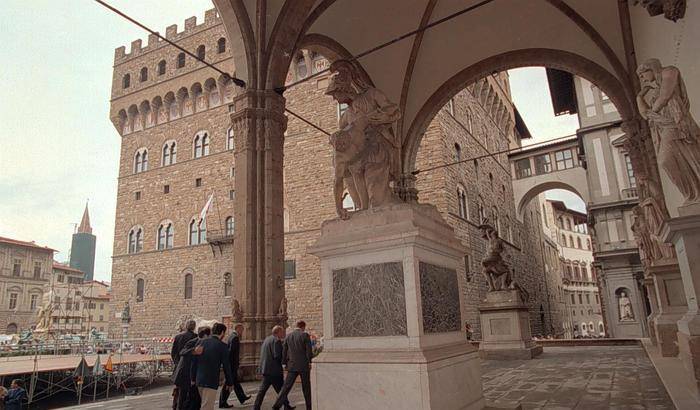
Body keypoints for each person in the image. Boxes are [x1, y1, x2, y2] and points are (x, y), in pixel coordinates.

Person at [191, 323, 234, 410]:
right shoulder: (222, 346)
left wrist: (192, 378)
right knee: (207, 406)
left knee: (205, 404)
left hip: (199, 379)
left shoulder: (201, 342)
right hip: (211, 380)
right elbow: (226, 366)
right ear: (222, 333)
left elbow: (194, 362)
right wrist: (229, 382)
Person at [272, 320, 313, 410]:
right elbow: (308, 351)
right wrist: (310, 361)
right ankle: (309, 407)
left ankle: (276, 405)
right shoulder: (305, 335)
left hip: (292, 365)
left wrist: (284, 363)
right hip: (303, 366)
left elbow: (284, 351)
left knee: (286, 387)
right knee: (306, 387)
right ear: (303, 327)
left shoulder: (288, 336)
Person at [252, 326, 295, 410]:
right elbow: (278, 355)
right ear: (278, 332)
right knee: (281, 389)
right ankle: (285, 406)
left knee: (264, 390)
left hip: (266, 369)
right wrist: (284, 363)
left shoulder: (267, 339)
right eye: (282, 332)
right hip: (274, 371)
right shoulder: (276, 341)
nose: (284, 333)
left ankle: (256, 407)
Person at [172, 326, 210, 410]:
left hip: (195, 375)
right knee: (182, 397)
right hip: (184, 373)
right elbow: (182, 351)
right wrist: (193, 351)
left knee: (194, 399)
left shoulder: (206, 344)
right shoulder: (193, 342)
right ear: (205, 336)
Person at [219, 324, 251, 408]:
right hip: (232, 364)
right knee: (228, 383)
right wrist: (233, 364)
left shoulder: (231, 336)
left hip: (231, 364)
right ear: (238, 329)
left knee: (235, 382)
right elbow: (232, 351)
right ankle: (222, 402)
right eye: (242, 329)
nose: (242, 332)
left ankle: (242, 397)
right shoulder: (235, 338)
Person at [172, 320, 197, 410]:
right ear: (194, 327)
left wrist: (177, 363)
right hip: (191, 367)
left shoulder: (178, 337)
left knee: (179, 391)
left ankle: (176, 406)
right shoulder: (196, 337)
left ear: (186, 326)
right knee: (190, 391)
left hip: (179, 367)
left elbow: (173, 353)